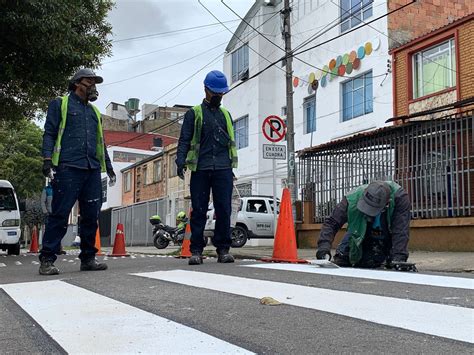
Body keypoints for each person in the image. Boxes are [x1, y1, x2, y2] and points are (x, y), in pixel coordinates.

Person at [39, 68, 115, 275]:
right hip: (68, 168)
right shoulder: (60, 104)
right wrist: (47, 159)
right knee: (60, 214)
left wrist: (109, 168)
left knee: (91, 215)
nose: (93, 86)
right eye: (89, 81)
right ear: (77, 83)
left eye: (95, 82)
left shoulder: (94, 113)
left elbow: (101, 142)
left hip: (91, 169)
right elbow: (50, 133)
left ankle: (88, 258)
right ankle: (47, 259)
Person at [176, 70, 238, 265]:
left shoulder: (226, 115)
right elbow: (184, 139)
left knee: (224, 209)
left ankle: (223, 250)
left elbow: (229, 143)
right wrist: (180, 160)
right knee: (199, 210)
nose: (218, 96)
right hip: (200, 168)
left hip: (223, 168)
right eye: (215, 92)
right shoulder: (193, 113)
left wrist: (230, 168)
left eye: (221, 93)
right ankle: (196, 250)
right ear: (206, 90)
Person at [316, 181, 411, 268]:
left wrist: (399, 257)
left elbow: (401, 230)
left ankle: (384, 255)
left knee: (372, 262)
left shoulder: (400, 198)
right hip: (357, 231)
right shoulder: (351, 199)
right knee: (343, 258)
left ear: (387, 204)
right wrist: (323, 247)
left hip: (385, 235)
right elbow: (332, 222)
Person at [40, 181, 66, 255]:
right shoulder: (47, 189)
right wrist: (45, 211)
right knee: (48, 230)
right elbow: (42, 201)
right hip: (49, 214)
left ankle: (59, 248)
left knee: (59, 230)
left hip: (58, 212)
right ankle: (45, 248)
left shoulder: (60, 188)